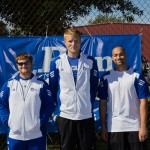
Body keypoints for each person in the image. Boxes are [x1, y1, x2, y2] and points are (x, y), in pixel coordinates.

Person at [49, 28, 99, 150]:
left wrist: (86, 102)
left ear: (80, 41)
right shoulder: (56, 62)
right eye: (70, 41)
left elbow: (93, 86)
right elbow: (53, 87)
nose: (73, 44)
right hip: (66, 115)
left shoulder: (90, 61)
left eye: (76, 41)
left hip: (85, 114)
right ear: (65, 42)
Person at [98, 46, 150, 150]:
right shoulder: (105, 77)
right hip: (114, 127)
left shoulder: (136, 75)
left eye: (121, 54)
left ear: (125, 55)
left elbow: (143, 102)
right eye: (115, 55)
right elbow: (102, 103)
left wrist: (143, 127)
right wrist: (103, 127)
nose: (119, 57)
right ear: (112, 58)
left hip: (135, 126)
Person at [0, 53, 55, 150]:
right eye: (20, 64)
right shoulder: (9, 84)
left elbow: (50, 105)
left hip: (36, 135)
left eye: (26, 63)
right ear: (17, 65)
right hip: (15, 135)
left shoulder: (41, 84)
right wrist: (7, 120)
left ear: (31, 64)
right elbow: (2, 104)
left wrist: (41, 121)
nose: (23, 66)